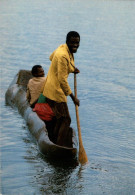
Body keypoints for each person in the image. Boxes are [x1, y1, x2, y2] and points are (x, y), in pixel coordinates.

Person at [43, 31, 80, 147]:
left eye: (77, 43)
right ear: (67, 42)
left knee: (59, 118)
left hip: (50, 88)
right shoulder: (62, 54)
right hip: (56, 92)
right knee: (66, 120)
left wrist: (71, 69)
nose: (75, 45)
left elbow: (51, 57)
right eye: (72, 43)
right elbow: (62, 80)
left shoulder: (62, 48)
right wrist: (73, 98)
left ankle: (54, 139)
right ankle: (60, 145)